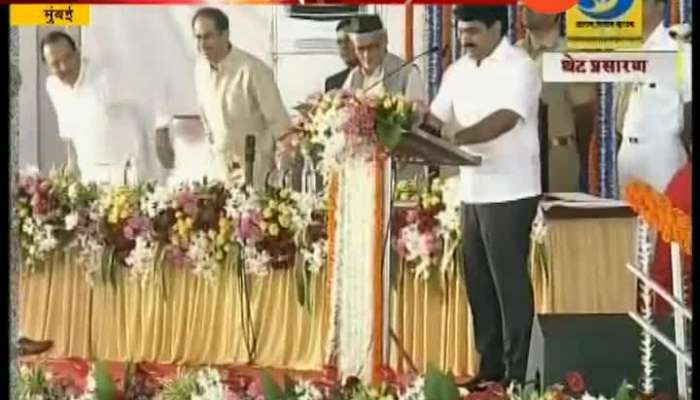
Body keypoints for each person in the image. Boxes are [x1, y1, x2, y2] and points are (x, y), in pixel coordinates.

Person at [418, 5, 542, 389]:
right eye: (460, 31)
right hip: (472, 190)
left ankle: (517, 374)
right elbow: (436, 118)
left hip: (511, 189)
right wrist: (406, 126)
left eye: (472, 30)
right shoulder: (456, 72)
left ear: (495, 28)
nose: (464, 38)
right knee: (479, 285)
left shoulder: (520, 65)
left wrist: (457, 138)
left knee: (509, 285)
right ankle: (490, 370)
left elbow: (506, 117)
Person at [193, 7, 291, 187]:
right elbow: (208, 124)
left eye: (208, 36)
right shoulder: (200, 71)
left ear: (225, 35)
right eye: (198, 37)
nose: (202, 44)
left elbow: (281, 126)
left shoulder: (253, 70)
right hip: (221, 176)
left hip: (257, 175)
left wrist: (282, 175)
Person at [42, 31, 154, 183]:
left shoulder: (106, 77)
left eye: (68, 57)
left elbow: (146, 102)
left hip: (126, 174)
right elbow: (69, 133)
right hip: (89, 178)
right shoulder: (54, 87)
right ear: (48, 67)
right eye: (55, 64)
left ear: (77, 53)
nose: (64, 67)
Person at [517, 5, 596, 193]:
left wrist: (584, 163)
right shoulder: (512, 54)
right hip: (515, 161)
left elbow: (585, 115)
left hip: (557, 162)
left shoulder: (572, 54)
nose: (526, 6)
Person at [617, 0, 692, 192]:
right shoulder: (624, 49)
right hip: (627, 154)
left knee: (667, 219)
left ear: (659, 7)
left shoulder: (677, 46)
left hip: (661, 156)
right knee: (628, 219)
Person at [342, 15, 425, 103]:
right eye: (360, 49)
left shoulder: (407, 73)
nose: (366, 55)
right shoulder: (354, 76)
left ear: (384, 42)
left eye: (371, 47)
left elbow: (417, 113)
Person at [325, 19, 358, 93]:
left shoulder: (381, 77)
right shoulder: (332, 83)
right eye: (339, 42)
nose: (343, 46)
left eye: (348, 40)